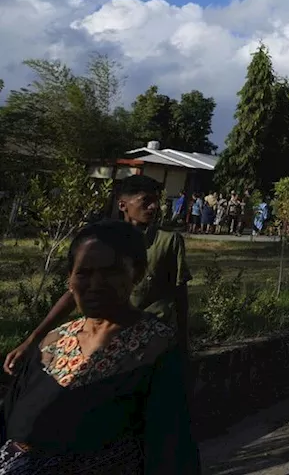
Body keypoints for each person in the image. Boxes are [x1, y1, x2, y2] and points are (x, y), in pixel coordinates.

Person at [0, 220, 199, 473]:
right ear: (70, 279)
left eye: (110, 272)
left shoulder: (156, 349)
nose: (95, 284)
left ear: (136, 273)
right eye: (83, 273)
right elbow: (9, 417)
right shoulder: (53, 341)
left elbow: (171, 447)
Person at [6, 175, 191, 374]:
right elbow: (74, 292)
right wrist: (32, 340)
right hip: (104, 336)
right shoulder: (102, 242)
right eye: (145, 201)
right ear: (122, 205)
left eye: (156, 201)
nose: (154, 207)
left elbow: (179, 292)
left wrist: (183, 340)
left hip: (148, 340)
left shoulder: (167, 242)